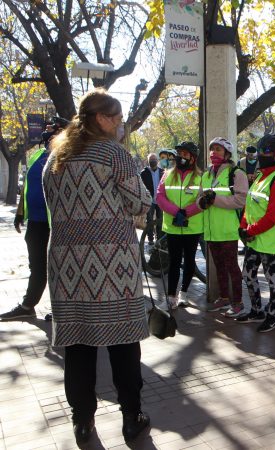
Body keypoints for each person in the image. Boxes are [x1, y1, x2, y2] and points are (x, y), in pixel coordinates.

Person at [42, 89, 151, 443]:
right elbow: (139, 202)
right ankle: (132, 417)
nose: (120, 125)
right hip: (111, 266)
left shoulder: (54, 157)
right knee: (123, 343)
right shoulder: (114, 155)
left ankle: (83, 421)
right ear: (102, 119)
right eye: (117, 118)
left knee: (78, 346)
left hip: (67, 266)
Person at [1, 116, 69, 322]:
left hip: (57, 223)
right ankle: (28, 305)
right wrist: (21, 212)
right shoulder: (38, 154)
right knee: (37, 266)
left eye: (53, 129)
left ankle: (62, 309)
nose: (47, 132)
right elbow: (28, 187)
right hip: (37, 222)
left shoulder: (67, 156)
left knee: (59, 268)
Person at [236, 134, 275, 333]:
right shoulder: (260, 176)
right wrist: (243, 227)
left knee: (273, 279)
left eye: (266, 151)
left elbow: (273, 216)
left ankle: (273, 316)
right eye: (260, 151)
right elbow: (249, 206)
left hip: (270, 238)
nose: (261, 155)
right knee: (248, 274)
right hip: (254, 237)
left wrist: (249, 230)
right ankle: (257, 310)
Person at [196, 137, 248, 317]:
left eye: (218, 149)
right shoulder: (206, 174)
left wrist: (215, 200)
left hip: (228, 230)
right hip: (211, 231)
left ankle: (238, 303)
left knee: (232, 267)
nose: (213, 153)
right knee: (218, 266)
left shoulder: (236, 173)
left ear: (226, 153)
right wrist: (203, 201)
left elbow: (241, 200)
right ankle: (224, 298)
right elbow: (199, 198)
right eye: (212, 149)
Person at [156, 141, 204, 309]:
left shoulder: (200, 177)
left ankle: (183, 294)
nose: (181, 157)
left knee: (190, 261)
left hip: (193, 226)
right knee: (174, 261)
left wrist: (187, 212)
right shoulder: (167, 174)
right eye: (179, 154)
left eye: (185, 154)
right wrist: (176, 211)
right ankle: (170, 298)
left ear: (193, 158)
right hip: (173, 225)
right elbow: (160, 196)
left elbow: (203, 201)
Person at [139, 153, 164, 245]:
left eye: (154, 159)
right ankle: (150, 239)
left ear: (157, 161)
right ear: (148, 161)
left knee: (160, 220)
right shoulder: (143, 173)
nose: (153, 161)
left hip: (160, 201)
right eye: (151, 160)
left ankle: (159, 239)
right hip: (149, 201)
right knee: (149, 220)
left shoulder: (163, 172)